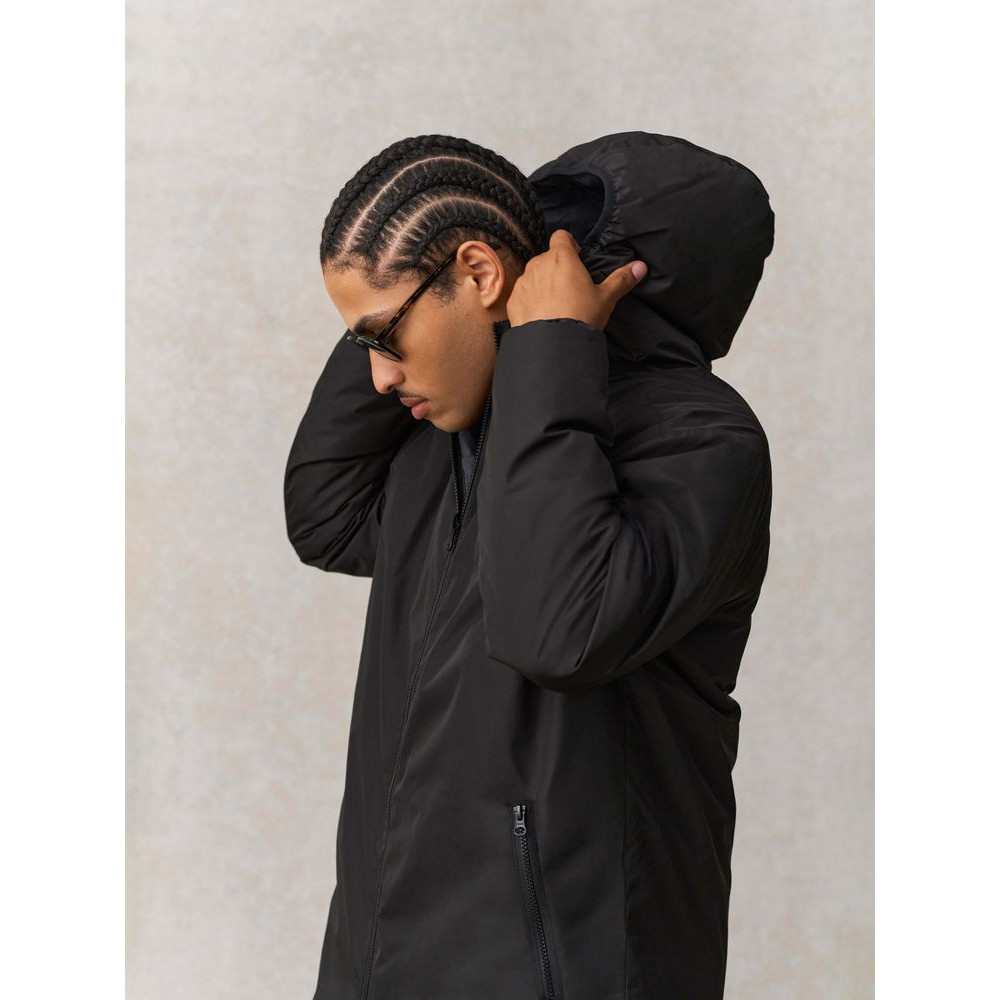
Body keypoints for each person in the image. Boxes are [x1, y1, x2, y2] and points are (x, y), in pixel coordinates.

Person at [284, 130, 775, 1000]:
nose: (380, 379)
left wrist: (549, 343)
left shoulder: (701, 441)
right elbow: (325, 515)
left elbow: (558, 632)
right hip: (383, 963)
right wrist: (478, 280)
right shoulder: (449, 434)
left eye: (385, 335)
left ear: (478, 274)